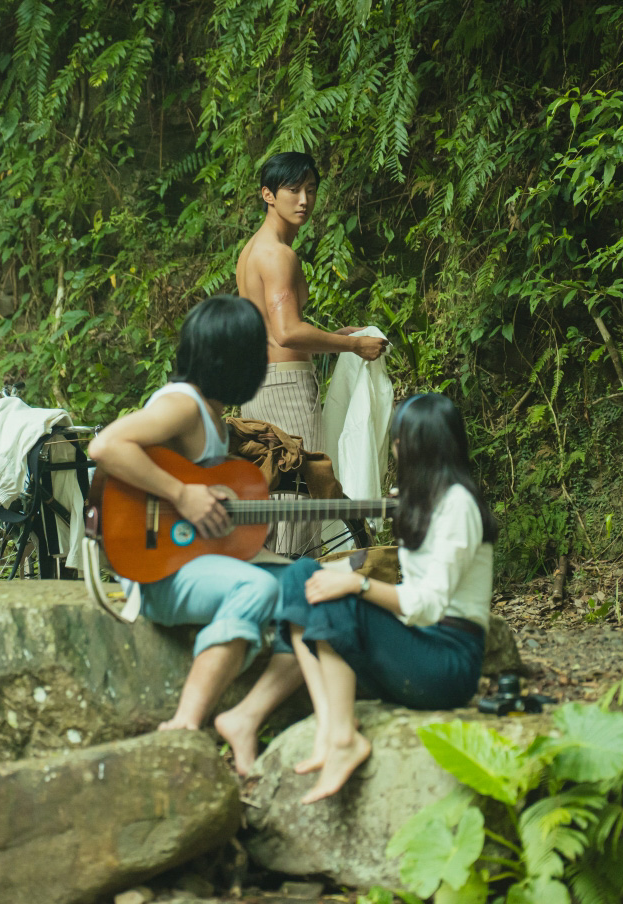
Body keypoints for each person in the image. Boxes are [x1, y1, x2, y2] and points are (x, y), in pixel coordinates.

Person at [87, 295, 316, 734]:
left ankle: (245, 718)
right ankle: (186, 722)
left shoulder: (210, 410)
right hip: (155, 571)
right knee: (255, 590)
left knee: (310, 584)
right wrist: (182, 494)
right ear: (233, 360)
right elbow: (105, 447)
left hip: (191, 558)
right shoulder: (183, 405)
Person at [275, 393, 498, 802]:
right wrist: (335, 576)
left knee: (339, 595)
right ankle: (330, 723)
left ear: (422, 446)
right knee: (300, 576)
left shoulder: (459, 506)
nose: (394, 449)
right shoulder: (424, 500)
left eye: (399, 441)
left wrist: (355, 584)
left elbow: (427, 604)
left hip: (445, 664)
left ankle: (344, 739)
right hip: (411, 650)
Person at [236, 151, 388, 555]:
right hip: (285, 387)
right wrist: (354, 345)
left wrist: (332, 337)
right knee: (303, 496)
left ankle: (274, 597)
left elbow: (273, 329)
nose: (304, 199)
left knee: (275, 495)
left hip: (259, 384)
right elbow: (286, 332)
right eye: (293, 190)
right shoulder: (278, 255)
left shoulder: (254, 249)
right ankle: (297, 598)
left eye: (311, 189)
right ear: (268, 194)